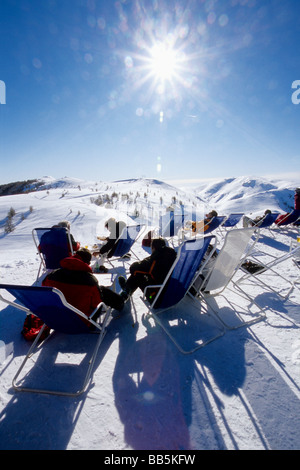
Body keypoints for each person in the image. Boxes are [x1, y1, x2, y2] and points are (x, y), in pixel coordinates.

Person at [42, 248, 124, 323]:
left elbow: (45, 293)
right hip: (82, 321)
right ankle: (121, 302)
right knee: (101, 290)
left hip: (57, 318)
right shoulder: (89, 280)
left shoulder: (51, 276)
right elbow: (96, 303)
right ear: (87, 263)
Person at [118, 238, 177, 304]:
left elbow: (133, 268)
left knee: (138, 273)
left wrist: (149, 259)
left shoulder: (154, 261)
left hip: (156, 298)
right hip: (172, 292)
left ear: (153, 248)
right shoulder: (173, 256)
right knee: (143, 272)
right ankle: (127, 288)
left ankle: (127, 290)